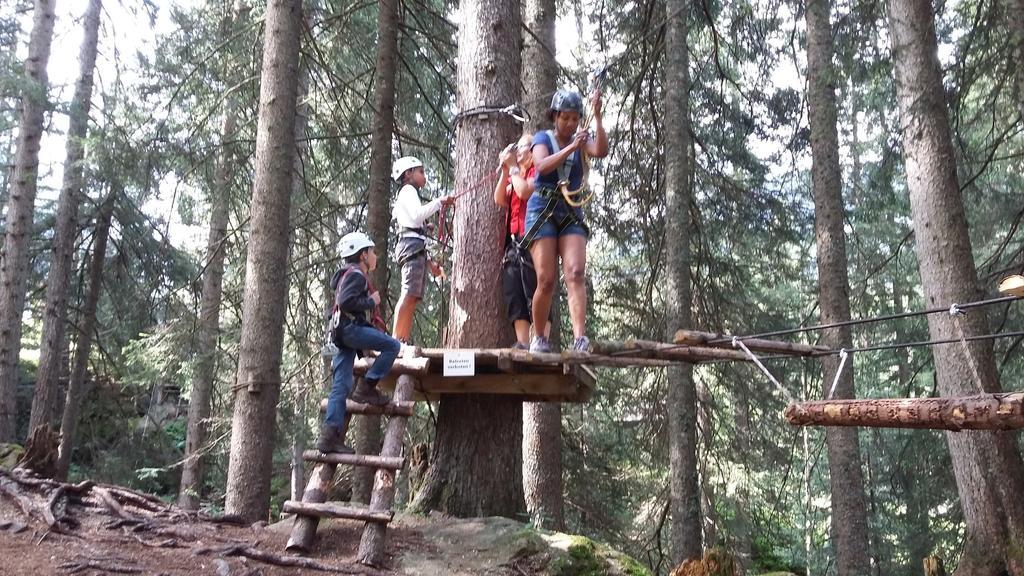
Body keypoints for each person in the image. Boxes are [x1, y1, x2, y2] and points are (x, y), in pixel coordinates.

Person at [524, 89, 608, 353]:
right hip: (543, 208)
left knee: (575, 272)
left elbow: (601, 150)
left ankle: (580, 337)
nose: (571, 124)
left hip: (570, 211)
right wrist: (572, 146)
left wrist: (596, 117)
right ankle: (538, 336)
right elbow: (541, 166)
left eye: (575, 119)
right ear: (555, 117)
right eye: (566, 119)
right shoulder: (543, 139)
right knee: (546, 279)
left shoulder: (582, 139)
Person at [317, 231, 401, 454]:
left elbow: (340, 303)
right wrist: (370, 301)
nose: (375, 255)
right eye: (372, 251)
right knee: (393, 346)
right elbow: (346, 302)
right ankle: (367, 386)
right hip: (350, 330)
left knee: (341, 386)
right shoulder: (356, 275)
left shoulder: (346, 274)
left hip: (342, 333)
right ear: (362, 255)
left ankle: (329, 437)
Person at [391, 156, 453, 344]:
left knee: (413, 297)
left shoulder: (409, 193)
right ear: (408, 174)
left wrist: (430, 263)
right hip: (410, 246)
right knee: (408, 293)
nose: (424, 176)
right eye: (421, 171)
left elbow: (415, 224)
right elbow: (417, 216)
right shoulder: (408, 190)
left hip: (414, 246)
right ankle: (395, 341)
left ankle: (402, 340)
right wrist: (439, 202)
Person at [494, 133, 545, 349]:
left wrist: (513, 168)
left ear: (533, 150)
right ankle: (523, 342)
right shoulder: (516, 174)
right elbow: (499, 198)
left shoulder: (539, 172)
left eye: (522, 147)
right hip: (513, 242)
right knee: (514, 291)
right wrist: (506, 170)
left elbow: (524, 192)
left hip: (535, 238)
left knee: (537, 288)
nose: (519, 152)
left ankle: (541, 339)